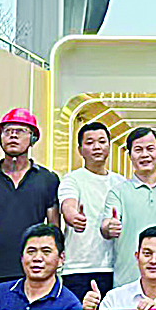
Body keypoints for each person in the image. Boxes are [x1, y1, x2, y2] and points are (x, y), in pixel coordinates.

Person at [0, 108, 62, 301]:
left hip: (35, 272)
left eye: (21, 131)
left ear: (33, 138)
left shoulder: (48, 179)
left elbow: (54, 229)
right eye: (7, 131)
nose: (13, 136)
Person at [101, 127, 156, 288]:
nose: (145, 155)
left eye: (150, 149)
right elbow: (106, 225)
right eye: (138, 150)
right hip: (127, 281)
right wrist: (109, 227)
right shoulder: (118, 191)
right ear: (130, 155)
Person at [59, 121, 123, 299]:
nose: (97, 147)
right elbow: (68, 205)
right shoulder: (72, 179)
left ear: (109, 146)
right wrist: (73, 217)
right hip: (78, 268)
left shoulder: (120, 183)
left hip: (114, 267)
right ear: (80, 150)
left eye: (102, 141)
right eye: (89, 142)